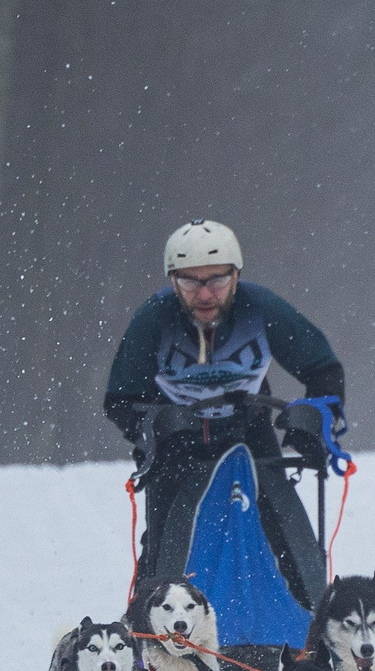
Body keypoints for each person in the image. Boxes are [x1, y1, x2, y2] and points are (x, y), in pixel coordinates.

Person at [103, 219, 346, 605]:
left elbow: (324, 371)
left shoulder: (262, 308)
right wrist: (154, 424)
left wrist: (311, 422)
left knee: (288, 532)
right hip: (177, 443)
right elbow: (119, 399)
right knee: (167, 545)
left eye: (216, 280)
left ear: (236, 276)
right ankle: (149, 636)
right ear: (172, 280)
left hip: (248, 433)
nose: (205, 294)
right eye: (190, 282)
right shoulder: (154, 318)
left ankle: (314, 632)